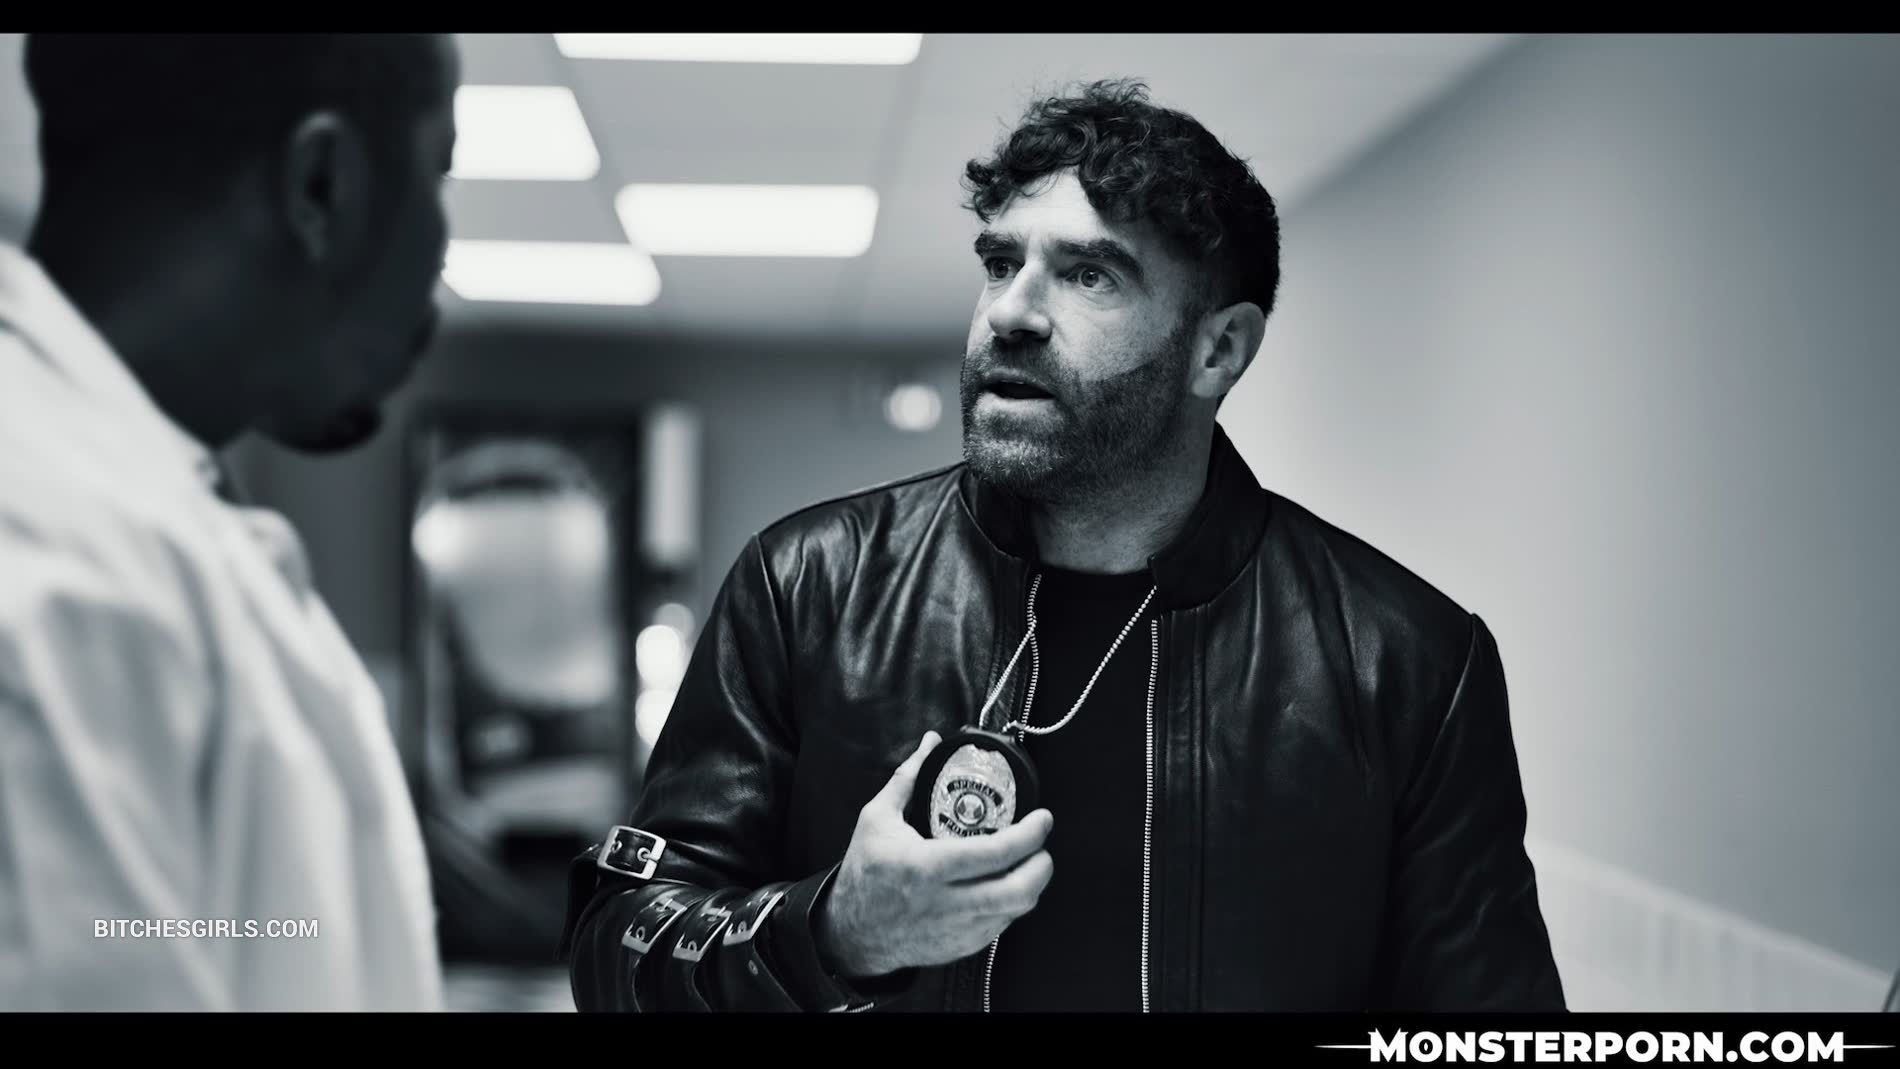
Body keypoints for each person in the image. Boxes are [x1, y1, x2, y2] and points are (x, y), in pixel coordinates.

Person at [560, 78, 1565, 1013]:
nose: (1010, 312)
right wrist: (833, 931)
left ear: (1218, 349)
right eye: (1001, 263)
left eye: (1089, 274)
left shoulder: (1404, 663)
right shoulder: (809, 586)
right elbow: (618, 945)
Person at [0, 33, 460, 1011]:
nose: (439, 256)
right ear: (322, 185)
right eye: (438, 173)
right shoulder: (49, 555)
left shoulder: (153, 508)